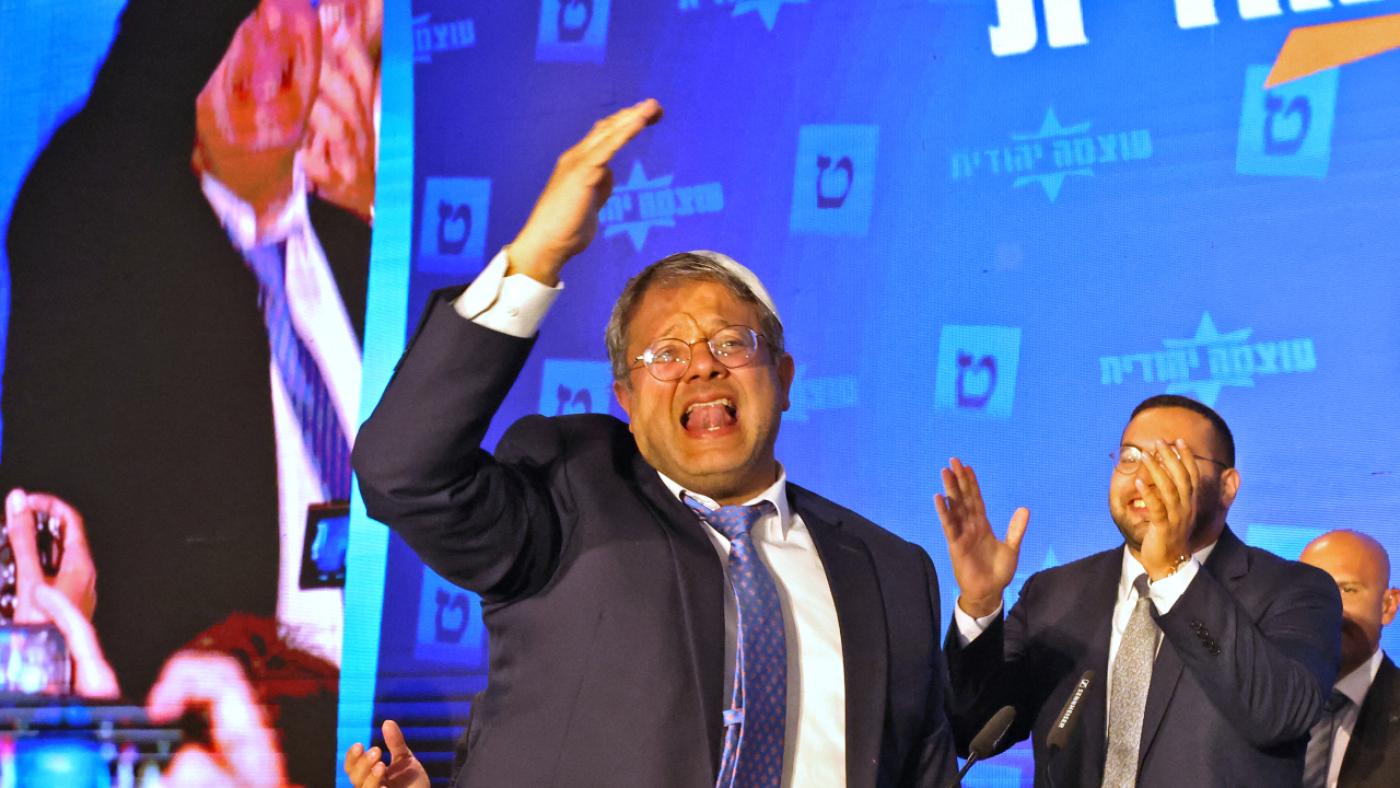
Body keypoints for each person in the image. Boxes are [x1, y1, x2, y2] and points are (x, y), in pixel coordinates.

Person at [346, 98, 959, 788]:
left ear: (784, 378)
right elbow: (402, 471)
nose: (702, 366)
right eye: (665, 354)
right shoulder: (569, 491)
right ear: (627, 403)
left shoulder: (892, 573)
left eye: (732, 343)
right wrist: (537, 257)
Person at [2, 0, 376, 783]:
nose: (265, 33)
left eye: (292, 4)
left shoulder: (375, 258)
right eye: (238, 15)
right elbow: (138, 90)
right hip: (221, 745)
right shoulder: (100, 238)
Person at [936, 394, 1341, 786]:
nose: (1144, 478)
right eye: (1130, 457)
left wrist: (1172, 569)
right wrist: (980, 602)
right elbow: (971, 730)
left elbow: (1278, 715)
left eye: (1170, 459)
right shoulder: (1054, 592)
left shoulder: (1294, 590)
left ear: (1227, 486)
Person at [1299, 530, 1400, 787]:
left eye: (1347, 590)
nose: (1329, 608)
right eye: (1312, 592)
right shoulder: (1263, 698)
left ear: (1388, 605)